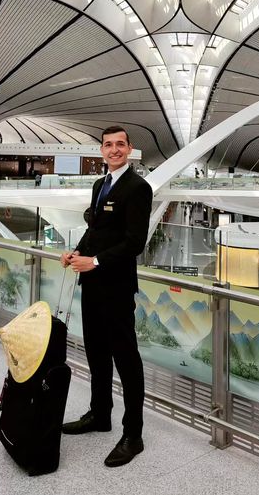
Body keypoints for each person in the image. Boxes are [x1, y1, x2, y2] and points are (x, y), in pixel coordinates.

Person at [60, 126, 153, 467]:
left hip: (115, 286)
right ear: (101, 149)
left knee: (127, 359)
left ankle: (134, 434)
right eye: (108, 145)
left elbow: (134, 242)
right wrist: (76, 252)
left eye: (120, 145)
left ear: (130, 149)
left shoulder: (138, 187)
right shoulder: (101, 185)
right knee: (97, 353)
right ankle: (100, 415)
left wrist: (95, 261)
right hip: (92, 284)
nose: (114, 150)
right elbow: (96, 230)